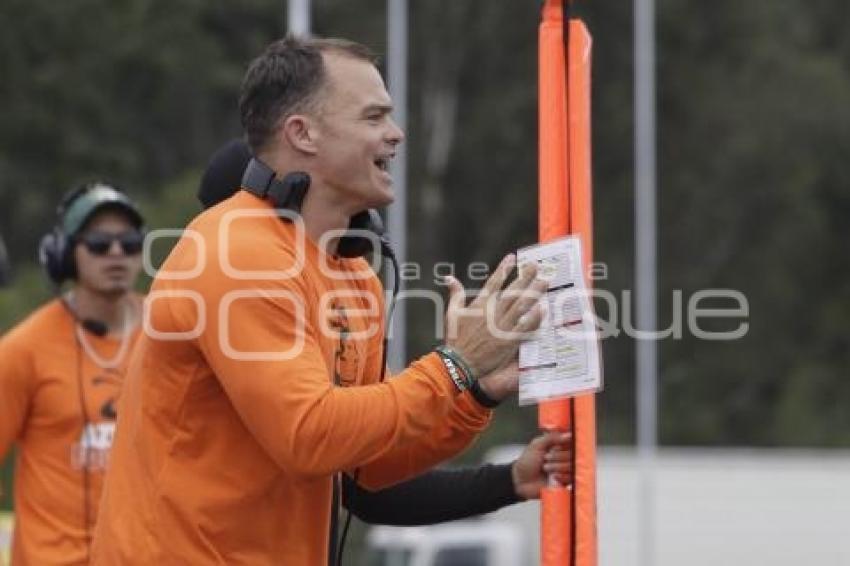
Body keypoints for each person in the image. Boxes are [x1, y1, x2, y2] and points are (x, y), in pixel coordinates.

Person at [92, 35, 548, 566]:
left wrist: (472, 395)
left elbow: (365, 468)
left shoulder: (356, 272)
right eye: (374, 117)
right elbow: (308, 435)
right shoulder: (235, 250)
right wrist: (454, 367)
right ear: (302, 133)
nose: (396, 134)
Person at [197, 137, 573, 531]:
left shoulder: (331, 302)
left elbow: (365, 478)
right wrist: (457, 365)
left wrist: (477, 397)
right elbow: (323, 446)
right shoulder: (234, 296)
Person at [0, 183, 145, 565]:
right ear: (64, 255)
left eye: (129, 242)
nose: (116, 252)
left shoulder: (173, 335)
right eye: (98, 243)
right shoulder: (22, 349)